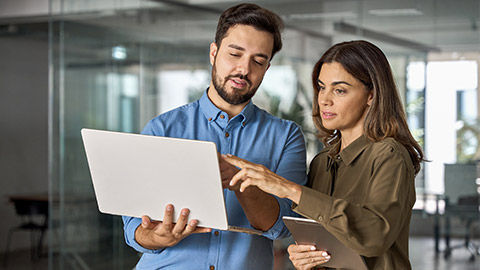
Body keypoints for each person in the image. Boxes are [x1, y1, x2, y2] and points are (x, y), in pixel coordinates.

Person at [122, 3, 307, 270]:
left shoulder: (285, 136)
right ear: (213, 52)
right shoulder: (162, 130)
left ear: (267, 68)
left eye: (258, 61)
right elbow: (133, 229)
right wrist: (155, 236)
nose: (244, 69)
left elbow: (281, 227)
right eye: (235, 54)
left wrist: (239, 181)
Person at [224, 40, 425, 270]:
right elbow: (323, 239)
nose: (324, 100)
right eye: (321, 87)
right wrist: (303, 254)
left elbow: (374, 236)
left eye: (339, 90)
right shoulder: (322, 162)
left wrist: (290, 189)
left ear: (371, 95)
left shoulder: (389, 155)